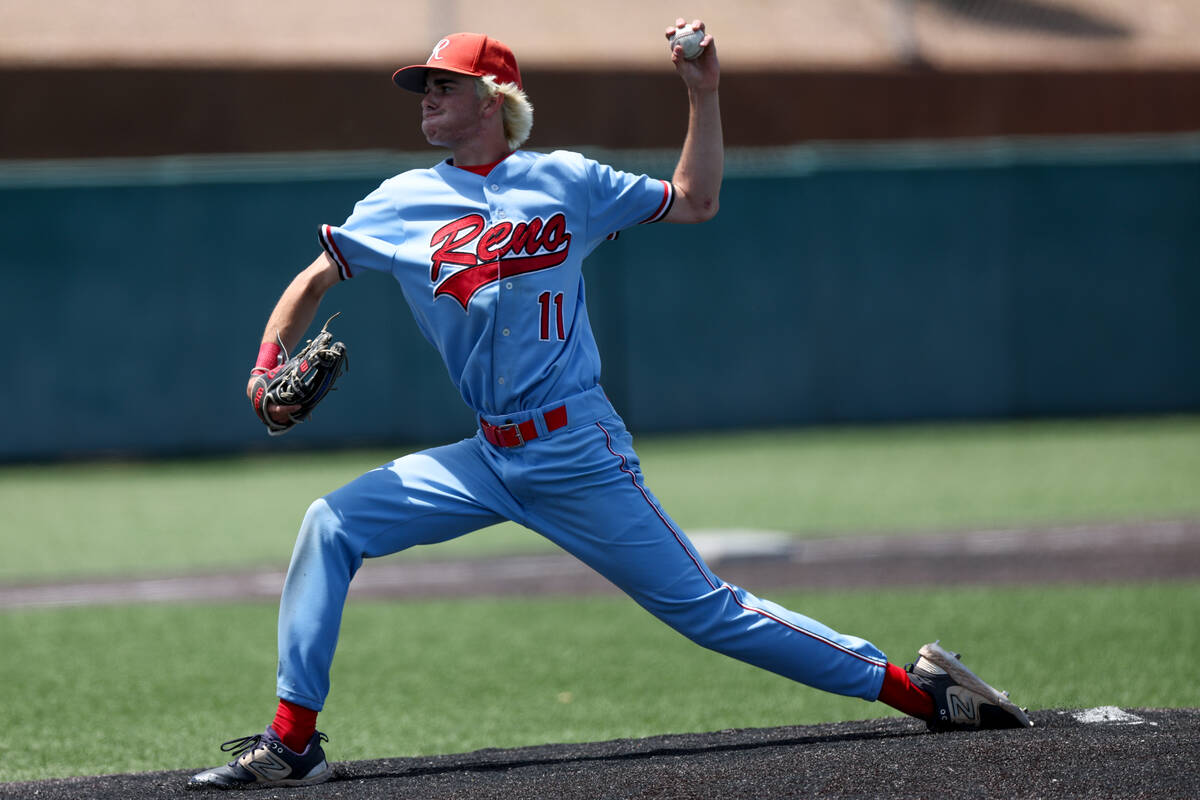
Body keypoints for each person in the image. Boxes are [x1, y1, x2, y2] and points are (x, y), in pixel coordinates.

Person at [189, 20, 1030, 790]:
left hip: (575, 449)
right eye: (425, 86)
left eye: (443, 84)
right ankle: (294, 741)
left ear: (494, 100)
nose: (427, 98)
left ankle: (921, 694)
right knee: (330, 524)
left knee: (710, 614)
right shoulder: (399, 202)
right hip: (486, 457)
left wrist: (702, 92)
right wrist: (263, 369)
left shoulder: (569, 181)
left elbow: (695, 199)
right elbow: (313, 279)